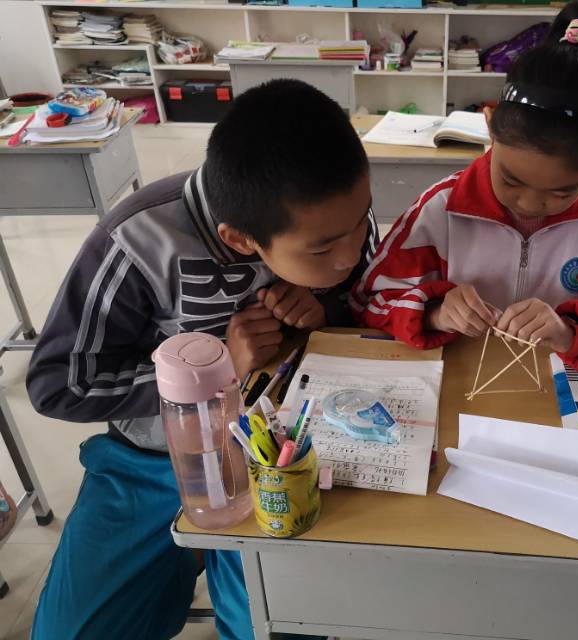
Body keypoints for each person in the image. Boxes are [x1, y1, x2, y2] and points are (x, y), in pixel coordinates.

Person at [26, 79, 378, 640]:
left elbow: (363, 301)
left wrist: (324, 307)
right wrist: (212, 372)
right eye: (324, 249)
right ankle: (182, 559)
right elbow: (59, 384)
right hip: (153, 462)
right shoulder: (138, 240)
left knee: (275, 627)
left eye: (362, 222)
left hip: (282, 458)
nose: (352, 251)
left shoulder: (337, 212)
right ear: (239, 239)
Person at [352, 0, 578, 372]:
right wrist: (434, 313)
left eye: (562, 191)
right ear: (490, 127)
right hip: (463, 385)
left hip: (565, 390)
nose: (529, 203)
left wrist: (574, 332)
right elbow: (368, 301)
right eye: (511, 179)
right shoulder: (441, 209)